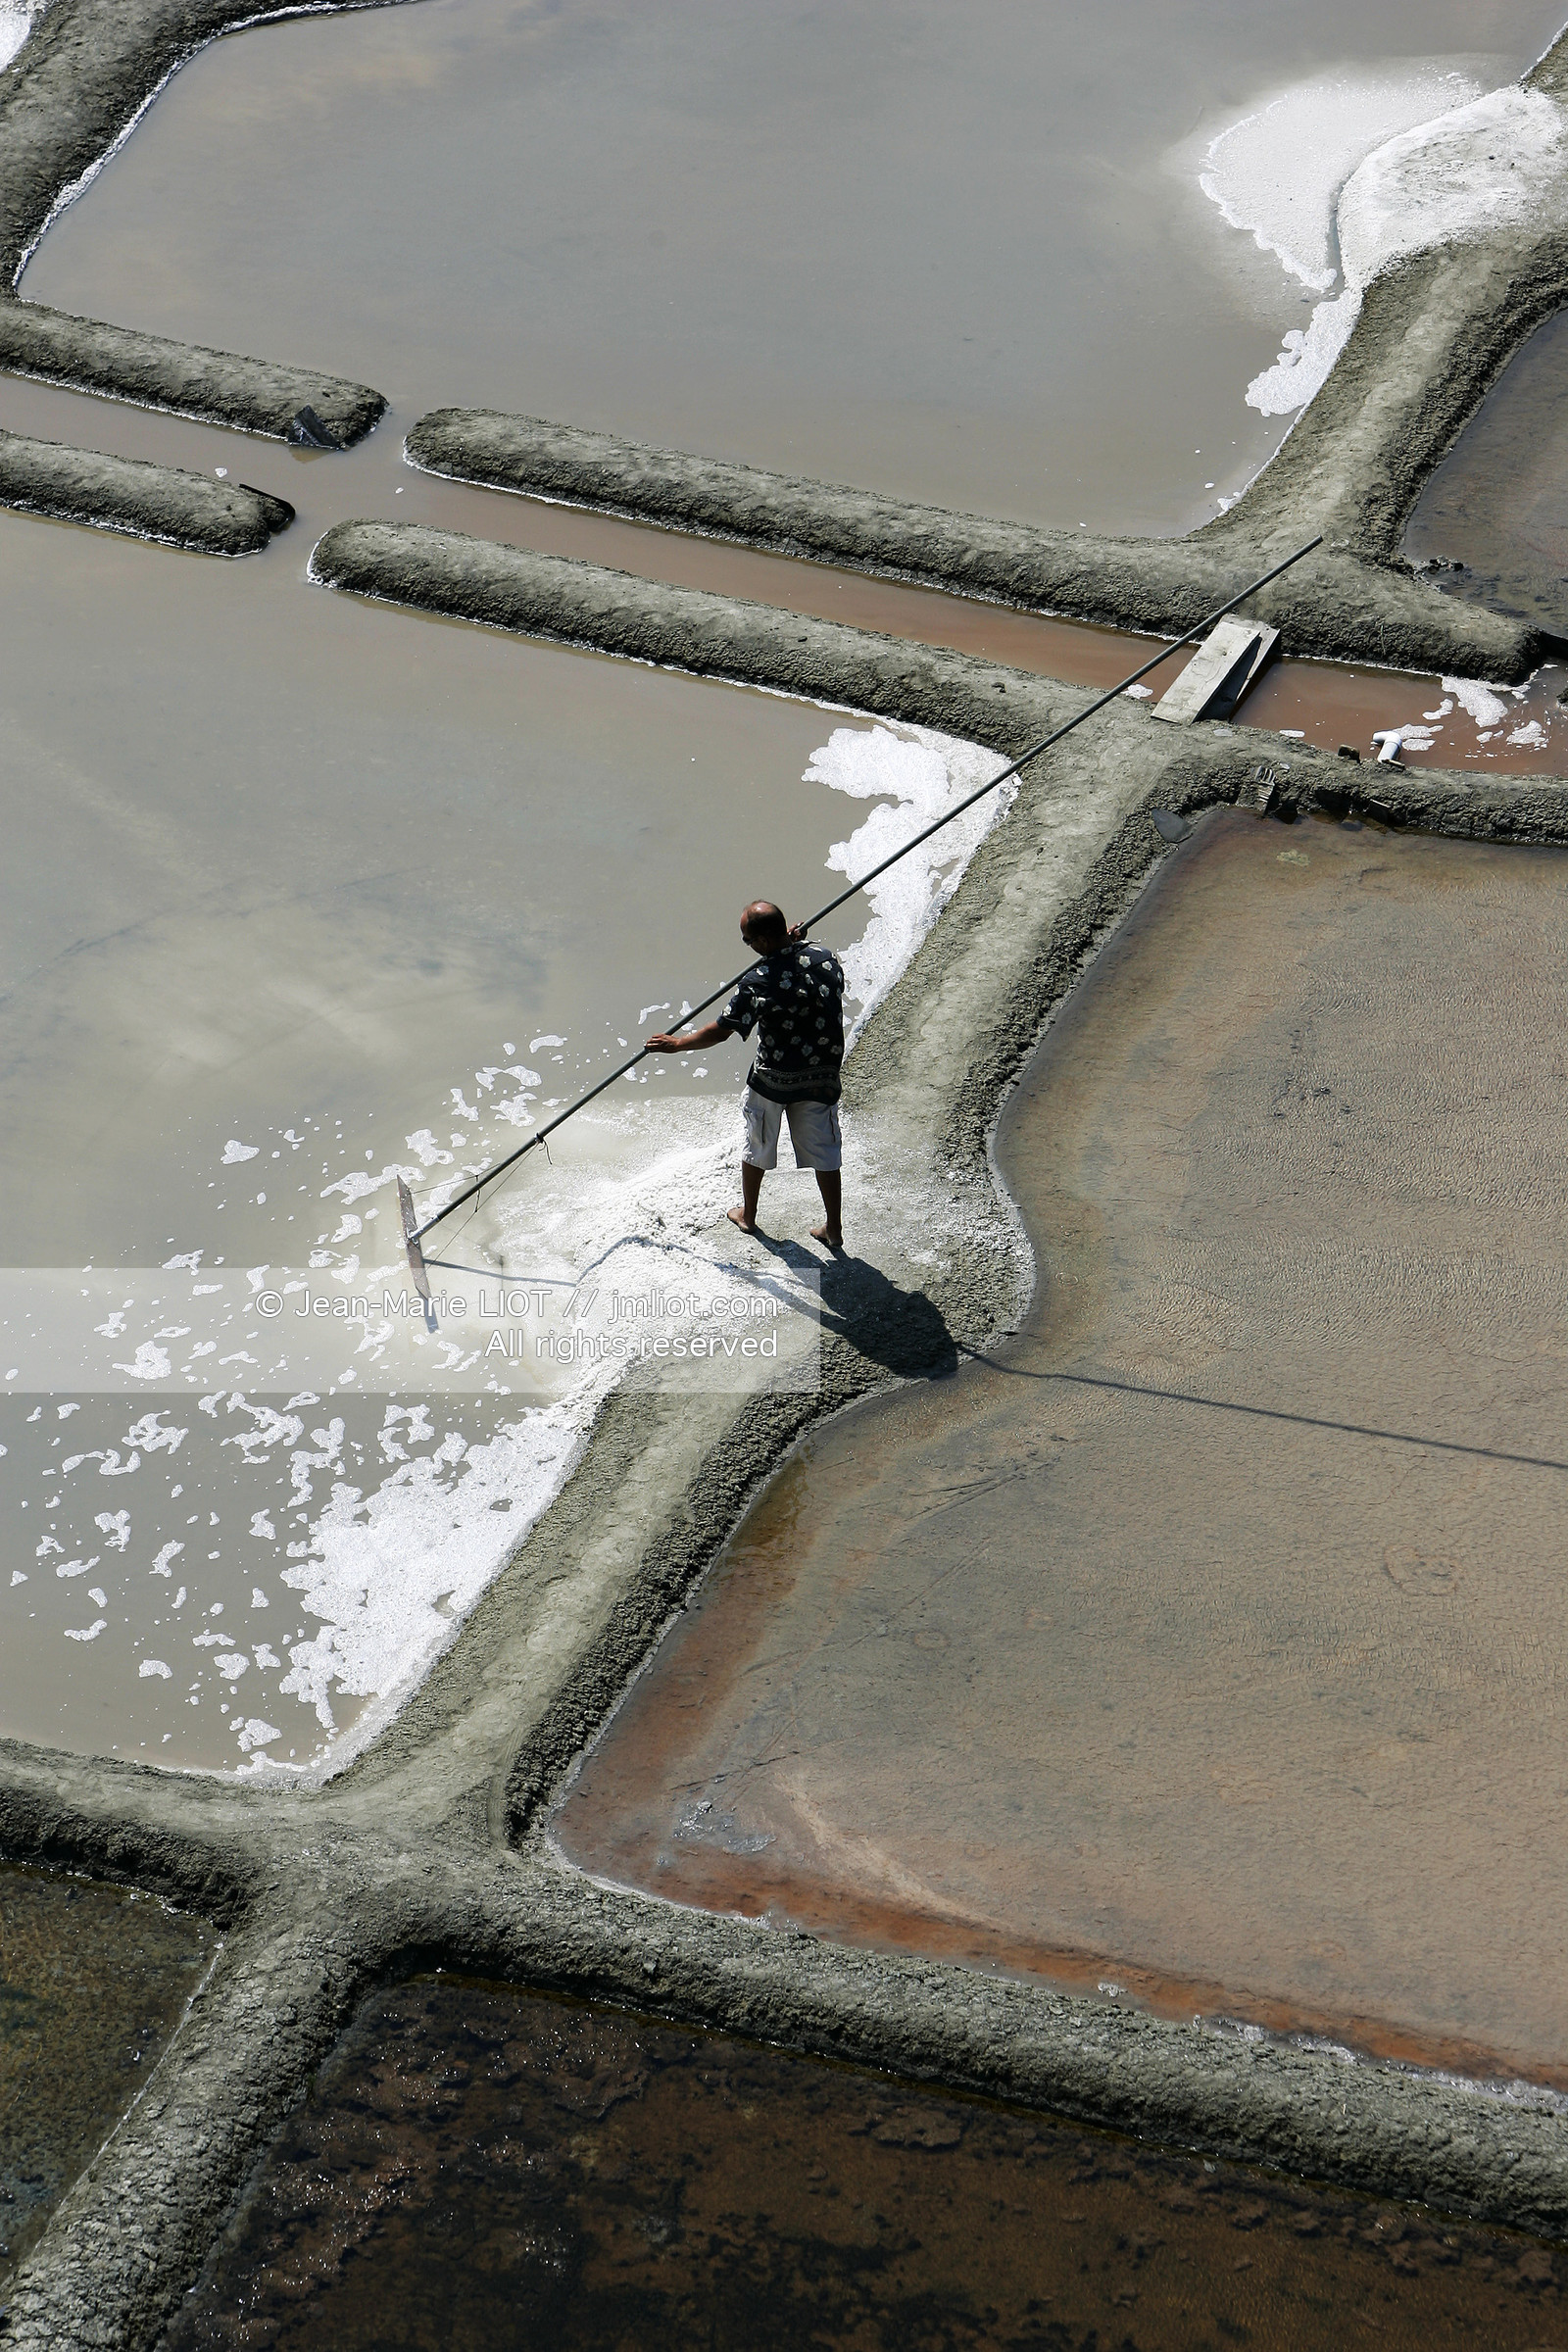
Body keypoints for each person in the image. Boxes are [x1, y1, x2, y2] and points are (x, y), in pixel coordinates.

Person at [645, 901, 845, 1248]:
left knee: (758, 1144)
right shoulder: (824, 956)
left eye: (748, 940)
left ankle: (749, 1216)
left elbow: (723, 1030)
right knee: (825, 1150)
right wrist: (793, 943)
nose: (749, 946)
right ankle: (834, 1229)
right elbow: (799, 967)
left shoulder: (758, 982)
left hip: (773, 1079)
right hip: (822, 1074)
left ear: (764, 942)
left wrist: (677, 1044)